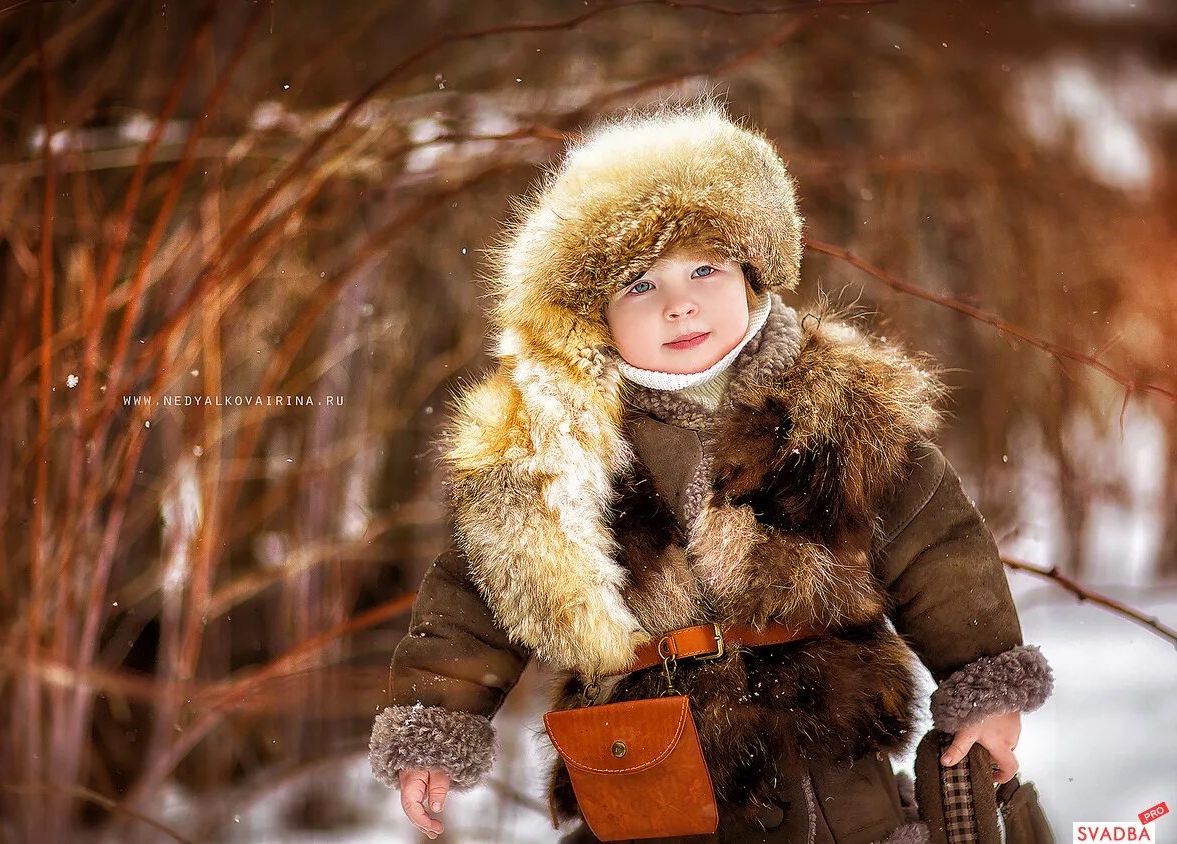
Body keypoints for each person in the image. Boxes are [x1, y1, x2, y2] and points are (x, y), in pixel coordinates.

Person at [368, 98, 1054, 843]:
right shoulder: (558, 452)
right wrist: (435, 721)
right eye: (639, 284)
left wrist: (984, 682)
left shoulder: (836, 413)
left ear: (754, 274)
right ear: (593, 316)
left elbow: (938, 547)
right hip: (646, 768)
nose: (679, 305)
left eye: (704, 268)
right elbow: (476, 592)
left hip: (828, 765)